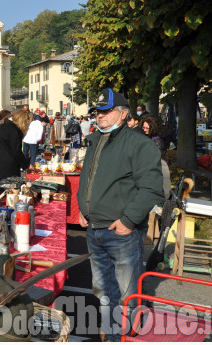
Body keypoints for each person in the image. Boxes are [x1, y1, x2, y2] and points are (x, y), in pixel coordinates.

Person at [77, 88, 164, 342]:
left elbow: (151, 188)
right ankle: (110, 332)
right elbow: (88, 179)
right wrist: (84, 210)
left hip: (121, 232)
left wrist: (127, 221)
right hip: (95, 229)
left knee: (127, 293)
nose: (100, 115)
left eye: (106, 111)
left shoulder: (139, 144)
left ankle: (125, 336)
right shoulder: (96, 139)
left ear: (124, 113)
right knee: (102, 289)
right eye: (98, 111)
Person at [0, 110, 30, 178]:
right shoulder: (14, 130)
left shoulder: (1, 126)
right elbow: (16, 151)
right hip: (10, 165)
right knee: (11, 186)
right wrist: (26, 165)